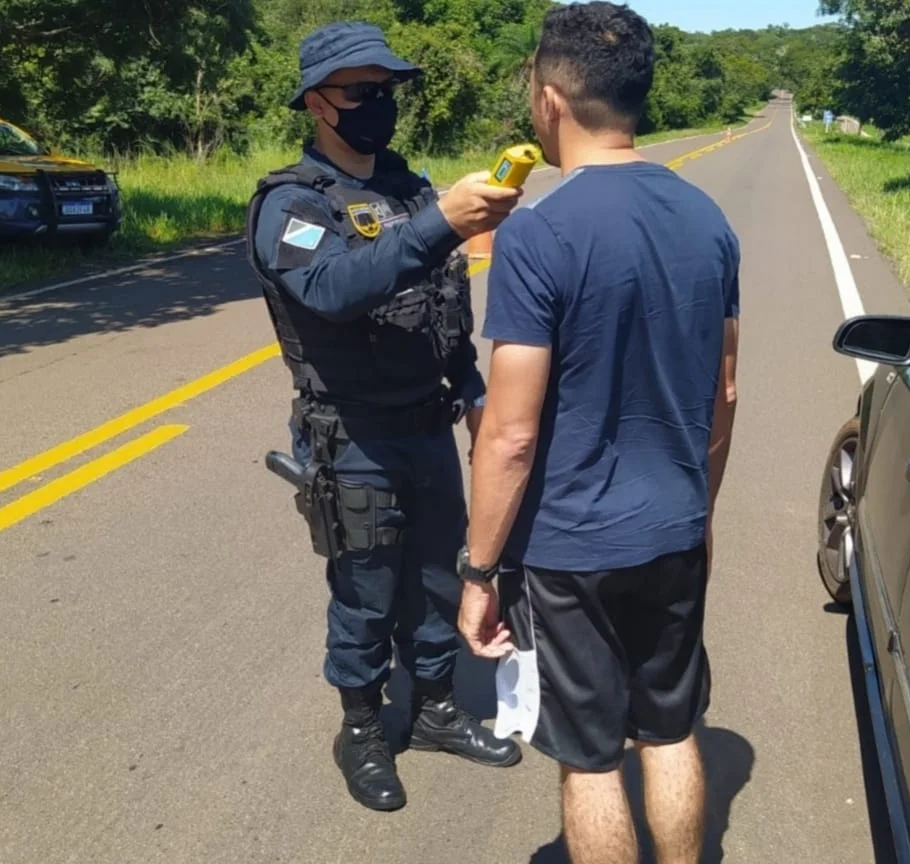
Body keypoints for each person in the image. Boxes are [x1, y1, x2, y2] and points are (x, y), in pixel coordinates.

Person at [455, 3, 740, 863]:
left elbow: (508, 432)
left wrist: (478, 572)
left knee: (588, 762)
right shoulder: (708, 220)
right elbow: (723, 390)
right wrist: (701, 509)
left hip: (571, 547)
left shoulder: (537, 233)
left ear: (549, 99)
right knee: (671, 730)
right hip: (674, 525)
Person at [244, 21, 525, 813]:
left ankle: (434, 707)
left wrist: (469, 385)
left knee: (438, 577)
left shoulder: (408, 190)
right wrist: (446, 221)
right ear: (317, 105)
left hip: (426, 422)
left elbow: (442, 303)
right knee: (367, 589)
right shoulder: (292, 206)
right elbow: (333, 289)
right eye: (361, 91)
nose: (379, 105)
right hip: (352, 434)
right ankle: (362, 727)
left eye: (386, 90)